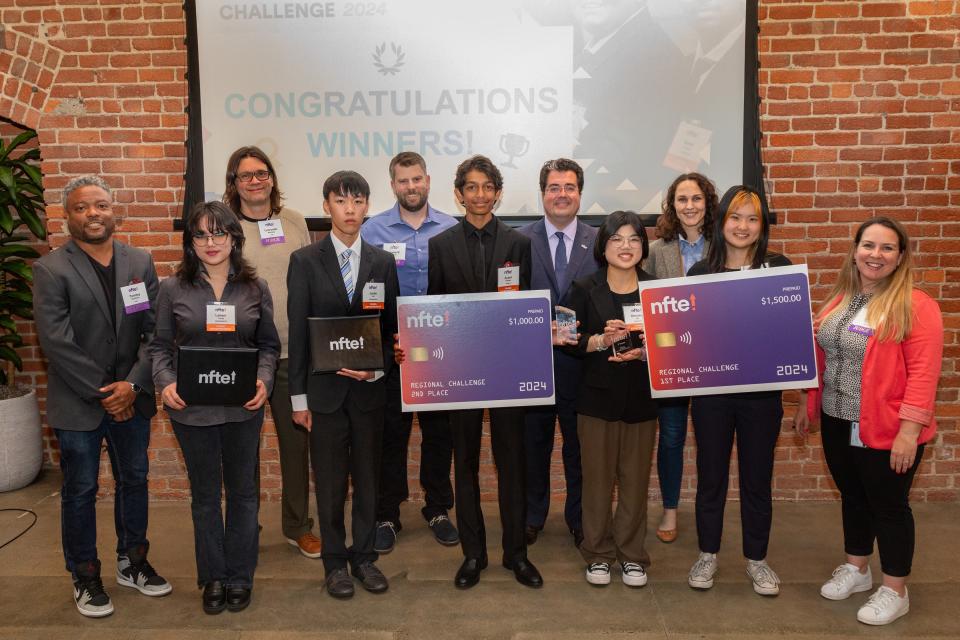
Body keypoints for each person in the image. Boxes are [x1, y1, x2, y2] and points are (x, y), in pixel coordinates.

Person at [794, 217, 943, 626]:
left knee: (890, 506)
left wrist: (909, 432)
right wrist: (807, 404)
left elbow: (924, 374)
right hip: (838, 419)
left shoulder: (916, 305)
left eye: (886, 248)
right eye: (868, 246)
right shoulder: (841, 299)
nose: (875, 255)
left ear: (900, 257)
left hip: (887, 427)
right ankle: (857, 569)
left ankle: (896, 590)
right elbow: (822, 356)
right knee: (854, 497)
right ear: (855, 250)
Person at [33, 175, 170, 618]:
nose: (94, 214)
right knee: (81, 489)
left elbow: (154, 332)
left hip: (133, 397)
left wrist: (132, 385)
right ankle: (85, 574)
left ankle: (133, 561)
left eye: (101, 206)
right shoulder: (51, 269)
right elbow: (56, 343)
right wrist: (105, 391)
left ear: (114, 211)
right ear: (67, 215)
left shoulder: (139, 261)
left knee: (135, 481)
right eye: (82, 207)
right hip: (78, 403)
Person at [150, 201, 279, 614]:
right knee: (205, 497)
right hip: (192, 411)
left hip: (243, 408)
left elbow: (269, 346)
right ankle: (214, 577)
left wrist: (265, 379)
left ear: (234, 238)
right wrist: (165, 383)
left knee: (243, 495)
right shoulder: (173, 288)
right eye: (201, 235)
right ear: (190, 242)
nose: (211, 242)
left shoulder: (255, 288)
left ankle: (240, 576)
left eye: (219, 233)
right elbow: (159, 347)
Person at [425, 155, 543, 589]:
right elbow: (434, 311)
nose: (479, 194)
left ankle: (516, 554)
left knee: (512, 463)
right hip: (460, 371)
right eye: (470, 187)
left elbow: (528, 309)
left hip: (508, 371)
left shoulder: (519, 244)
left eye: (486, 186)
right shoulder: (440, 246)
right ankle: (473, 554)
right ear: (459, 194)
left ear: (497, 192)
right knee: (466, 463)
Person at [287, 171, 400, 599]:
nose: (349, 209)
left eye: (357, 201)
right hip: (325, 396)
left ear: (367, 206)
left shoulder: (382, 262)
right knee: (331, 483)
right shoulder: (305, 262)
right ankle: (335, 563)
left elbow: (390, 332)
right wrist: (299, 399)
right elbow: (298, 334)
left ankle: (365, 558)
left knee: (369, 481)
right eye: (340, 201)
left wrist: (377, 369)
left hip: (370, 394)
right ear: (327, 207)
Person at [685, 185, 791, 596]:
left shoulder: (779, 269)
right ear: (721, 220)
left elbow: (784, 332)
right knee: (711, 476)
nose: (743, 226)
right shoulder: (699, 274)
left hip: (762, 398)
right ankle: (707, 554)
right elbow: (689, 336)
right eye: (735, 217)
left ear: (761, 226)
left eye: (752, 219)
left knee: (757, 479)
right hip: (712, 395)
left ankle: (757, 560)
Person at [222, 146, 319, 560]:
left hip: (292, 356)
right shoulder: (223, 226)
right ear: (235, 184)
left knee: (296, 448)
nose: (256, 181)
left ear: (272, 178)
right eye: (246, 176)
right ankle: (245, 527)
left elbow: (314, 279)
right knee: (242, 449)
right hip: (243, 355)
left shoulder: (294, 221)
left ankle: (298, 526)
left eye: (262, 173)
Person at [360, 151, 458, 553]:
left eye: (417, 179)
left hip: (443, 351)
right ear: (393, 185)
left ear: (428, 181)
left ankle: (437, 508)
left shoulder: (453, 228)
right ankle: (387, 513)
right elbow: (364, 293)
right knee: (391, 435)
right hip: (393, 351)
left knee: (439, 433)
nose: (411, 187)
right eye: (403, 181)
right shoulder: (373, 230)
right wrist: (386, 340)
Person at [561, 210, 659, 587]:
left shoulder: (657, 290)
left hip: (641, 401)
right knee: (597, 482)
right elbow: (567, 339)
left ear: (643, 246)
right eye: (617, 238)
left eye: (634, 239)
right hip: (596, 402)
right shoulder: (583, 288)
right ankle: (598, 553)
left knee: (634, 482)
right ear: (603, 246)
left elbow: (676, 342)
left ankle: (633, 555)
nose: (626, 246)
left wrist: (648, 349)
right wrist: (602, 340)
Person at [518, 158, 598, 548]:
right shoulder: (518, 240)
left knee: (578, 448)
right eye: (554, 187)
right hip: (533, 363)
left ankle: (578, 517)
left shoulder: (600, 241)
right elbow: (508, 302)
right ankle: (533, 516)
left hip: (583, 365)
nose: (561, 194)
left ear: (580, 194)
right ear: (543, 194)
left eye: (569, 187)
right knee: (533, 446)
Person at [643, 172, 717, 543]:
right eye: (682, 200)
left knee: (711, 439)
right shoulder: (657, 250)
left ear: (708, 203)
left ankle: (709, 512)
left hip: (716, 359)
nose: (689, 206)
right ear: (672, 206)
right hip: (672, 359)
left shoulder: (723, 246)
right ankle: (670, 509)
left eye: (696, 199)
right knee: (671, 437)